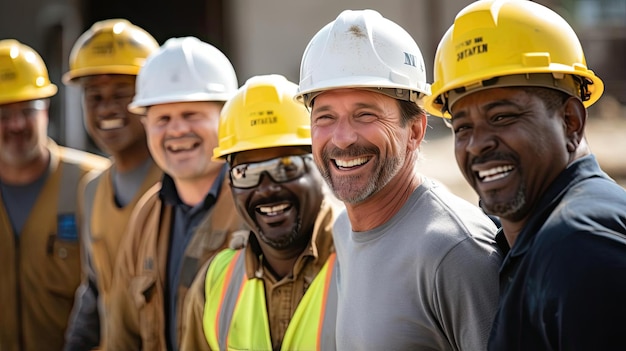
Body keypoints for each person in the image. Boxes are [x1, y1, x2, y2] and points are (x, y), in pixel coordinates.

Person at [295, 9, 502, 350]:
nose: (342, 137)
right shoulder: (345, 232)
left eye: (365, 114)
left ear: (415, 130)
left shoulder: (455, 252)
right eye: (325, 117)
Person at [425, 0, 626, 350]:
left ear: (570, 122)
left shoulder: (579, 243)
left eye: (502, 116)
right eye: (462, 127)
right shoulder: (531, 238)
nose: (477, 145)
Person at [104, 36, 249, 350]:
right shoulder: (146, 215)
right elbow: (121, 335)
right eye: (163, 119)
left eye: (191, 115)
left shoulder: (255, 206)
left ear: (226, 119)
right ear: (146, 126)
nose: (177, 131)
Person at [180, 74, 342, 350]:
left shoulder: (364, 265)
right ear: (230, 182)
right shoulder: (215, 282)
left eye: (286, 167)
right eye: (246, 173)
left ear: (321, 165)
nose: (266, 189)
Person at [0, 39, 110, 351]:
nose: (17, 125)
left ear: (46, 109)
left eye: (27, 110)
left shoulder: (94, 182)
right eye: (3, 115)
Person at [61, 19, 162, 350]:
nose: (107, 108)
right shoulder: (92, 189)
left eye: (121, 94)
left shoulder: (176, 183)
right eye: (94, 96)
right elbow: (95, 288)